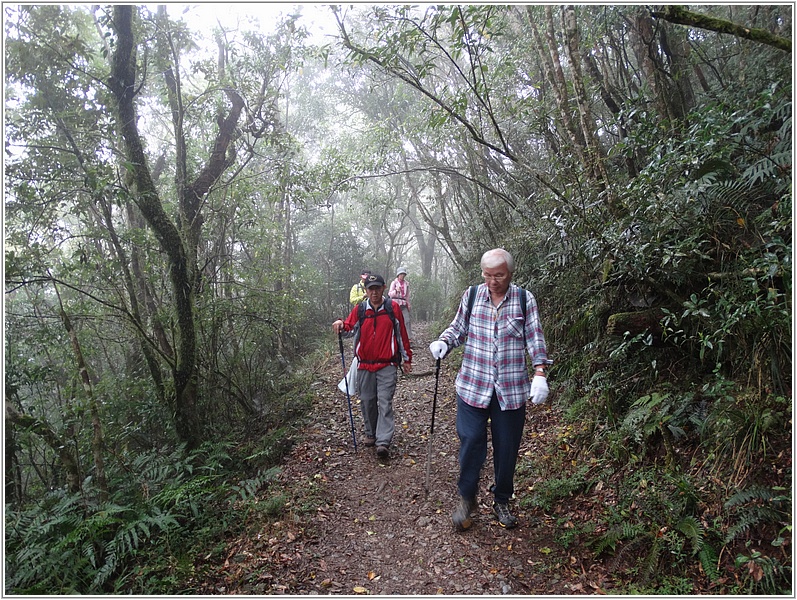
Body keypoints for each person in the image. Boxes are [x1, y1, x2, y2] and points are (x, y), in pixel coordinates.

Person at [429, 248, 550, 530]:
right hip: (473, 385)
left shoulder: (523, 299)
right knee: (471, 442)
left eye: (499, 275)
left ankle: (502, 499)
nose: (493, 281)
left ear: (510, 273)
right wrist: (444, 343)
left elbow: (535, 338)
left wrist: (540, 372)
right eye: (487, 275)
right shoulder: (472, 295)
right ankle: (467, 498)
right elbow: (458, 328)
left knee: (507, 448)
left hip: (510, 390)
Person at [334, 274, 412, 459]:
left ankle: (383, 441)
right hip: (364, 365)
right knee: (368, 401)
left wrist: (407, 359)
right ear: (366, 290)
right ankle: (371, 433)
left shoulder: (392, 308)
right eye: (371, 288)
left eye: (377, 288)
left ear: (384, 288)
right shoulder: (360, 309)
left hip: (387, 364)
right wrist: (340, 325)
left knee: (385, 402)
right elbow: (349, 328)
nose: (374, 292)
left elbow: (402, 335)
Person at [388, 266, 412, 340]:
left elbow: (407, 295)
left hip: (403, 304)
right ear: (398, 275)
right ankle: (393, 338)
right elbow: (390, 294)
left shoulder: (406, 284)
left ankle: (408, 338)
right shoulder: (394, 283)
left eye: (403, 274)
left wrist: (408, 304)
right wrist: (396, 290)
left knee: (407, 320)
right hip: (395, 304)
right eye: (401, 274)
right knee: (394, 321)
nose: (402, 276)